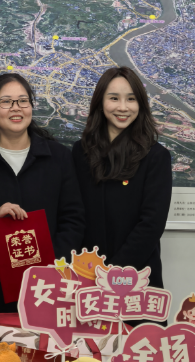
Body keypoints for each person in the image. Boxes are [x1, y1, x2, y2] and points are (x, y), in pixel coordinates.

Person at [0, 73, 85, 316]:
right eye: (6, 101)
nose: (16, 108)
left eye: (23, 101)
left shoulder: (59, 157)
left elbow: (74, 218)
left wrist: (53, 264)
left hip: (48, 283)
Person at [72, 66, 172, 290]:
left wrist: (112, 274)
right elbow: (74, 214)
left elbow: (151, 225)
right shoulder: (81, 152)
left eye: (131, 99)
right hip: (86, 275)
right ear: (100, 102)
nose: (123, 107)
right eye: (114, 98)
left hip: (136, 278)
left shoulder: (156, 157)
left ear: (141, 105)